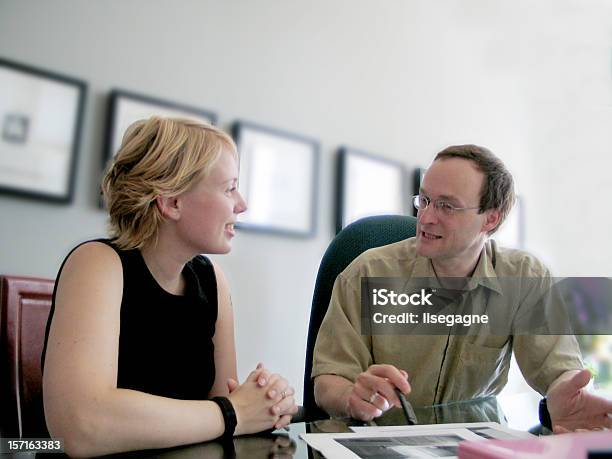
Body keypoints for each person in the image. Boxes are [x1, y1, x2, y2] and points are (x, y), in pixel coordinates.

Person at [42, 117, 298, 457]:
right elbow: (80, 426)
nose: (241, 204)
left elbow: (231, 412)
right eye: (229, 187)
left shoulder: (213, 280)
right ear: (172, 202)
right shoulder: (97, 263)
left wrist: (264, 403)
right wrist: (235, 412)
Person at [312, 144, 612, 432]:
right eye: (425, 200)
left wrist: (568, 396)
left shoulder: (523, 277)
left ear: (490, 219)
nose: (426, 218)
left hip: (473, 445)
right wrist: (351, 396)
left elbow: (559, 370)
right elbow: (329, 379)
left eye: (447, 206)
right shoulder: (367, 273)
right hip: (378, 444)